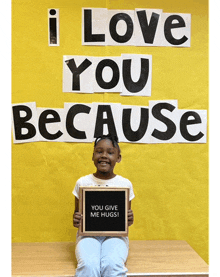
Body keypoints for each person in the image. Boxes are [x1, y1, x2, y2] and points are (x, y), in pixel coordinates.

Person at [72, 134, 135, 277]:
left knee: (112, 265)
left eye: (110, 152)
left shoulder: (124, 184)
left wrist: (129, 219)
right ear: (93, 155)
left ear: (118, 158)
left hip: (116, 236)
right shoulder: (82, 183)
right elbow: (77, 217)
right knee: (88, 264)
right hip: (88, 236)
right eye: (99, 151)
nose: (104, 156)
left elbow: (126, 219)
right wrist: (76, 219)